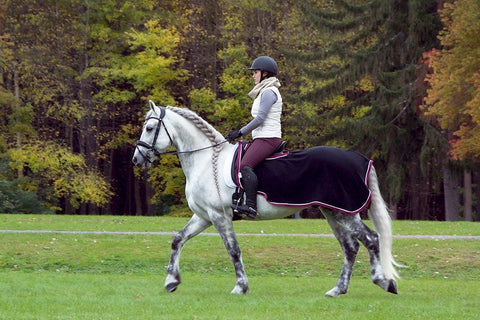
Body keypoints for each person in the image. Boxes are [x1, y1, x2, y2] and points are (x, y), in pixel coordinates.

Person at [225, 56, 283, 217]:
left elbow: (260, 118)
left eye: (255, 72)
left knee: (245, 165)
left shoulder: (269, 92)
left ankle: (251, 206)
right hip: (262, 137)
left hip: (268, 138)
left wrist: (240, 132)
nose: (253, 75)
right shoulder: (263, 91)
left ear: (265, 74)